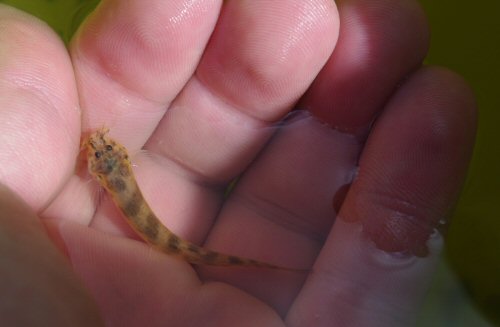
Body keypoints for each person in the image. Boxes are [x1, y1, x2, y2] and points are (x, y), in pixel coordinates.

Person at [0, 0, 476, 326]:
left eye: (103, 151)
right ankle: (255, 264)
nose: (100, 147)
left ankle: (251, 263)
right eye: (102, 153)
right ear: (110, 169)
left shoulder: (105, 172)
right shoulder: (110, 172)